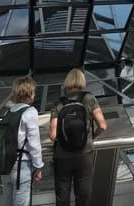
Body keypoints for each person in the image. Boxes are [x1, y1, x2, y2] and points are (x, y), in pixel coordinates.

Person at [49, 68, 107, 206]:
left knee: (62, 196)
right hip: (84, 154)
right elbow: (103, 125)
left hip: (62, 156)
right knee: (83, 195)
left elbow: (52, 135)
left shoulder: (58, 103)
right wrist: (92, 137)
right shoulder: (89, 98)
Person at [0, 76, 43, 206]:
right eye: (34, 91)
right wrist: (38, 167)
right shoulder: (30, 112)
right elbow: (34, 144)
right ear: (29, 93)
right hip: (21, 166)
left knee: (7, 202)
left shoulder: (9, 111)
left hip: (6, 165)